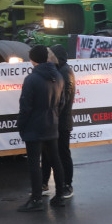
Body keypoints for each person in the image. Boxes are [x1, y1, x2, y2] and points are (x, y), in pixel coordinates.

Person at [17, 44, 66, 212]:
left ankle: (36, 198)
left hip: (34, 127)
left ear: (32, 60)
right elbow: (61, 103)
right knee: (55, 160)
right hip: (52, 125)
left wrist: (21, 125)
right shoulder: (58, 76)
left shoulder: (31, 79)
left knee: (34, 164)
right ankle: (59, 195)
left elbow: (25, 107)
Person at [41, 44, 76, 198]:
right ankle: (44, 183)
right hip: (54, 120)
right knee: (47, 153)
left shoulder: (64, 73)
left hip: (61, 122)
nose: (47, 57)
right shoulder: (58, 70)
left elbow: (63, 100)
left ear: (56, 56)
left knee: (63, 153)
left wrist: (52, 115)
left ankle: (67, 185)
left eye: (50, 54)